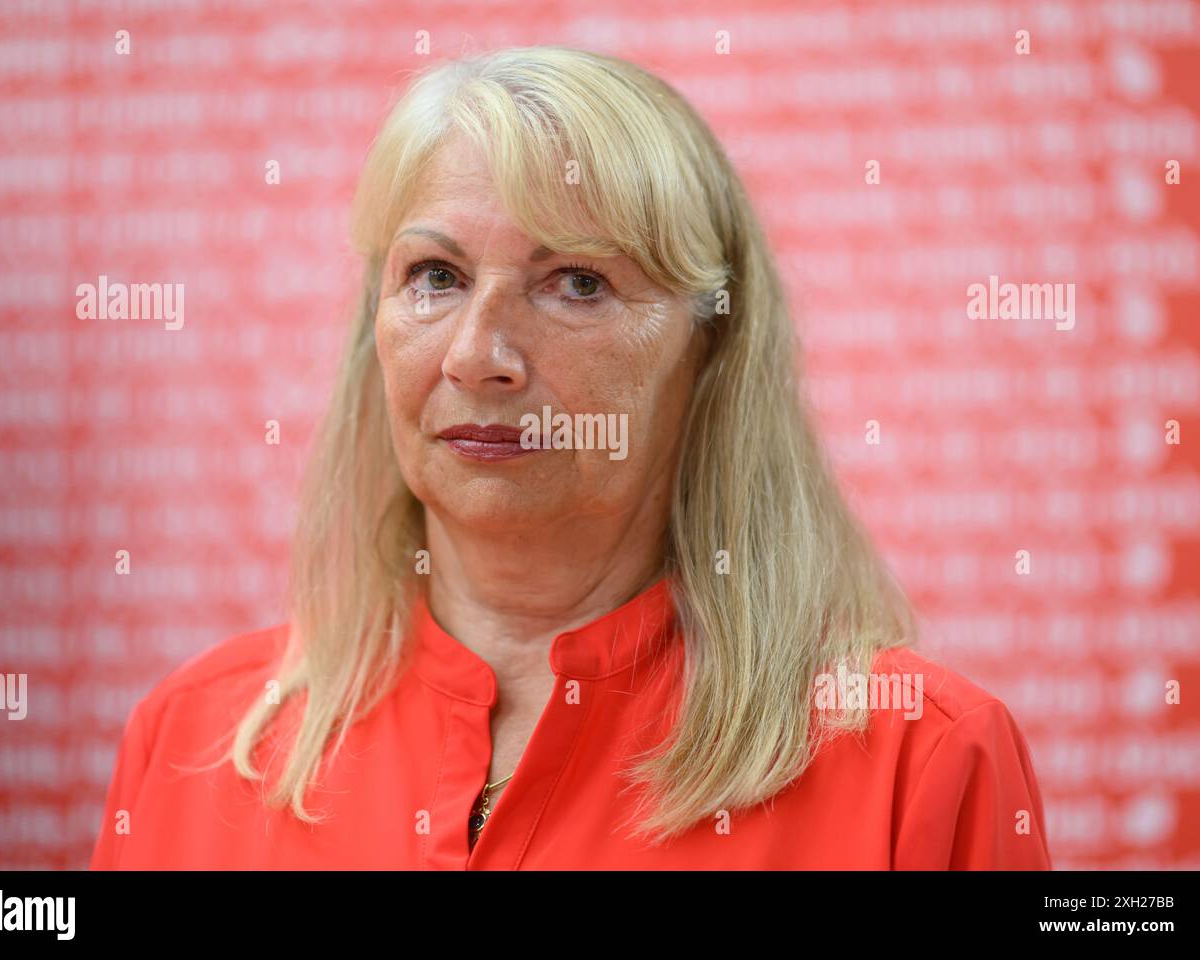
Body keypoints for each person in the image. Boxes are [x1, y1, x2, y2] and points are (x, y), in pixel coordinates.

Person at [90, 45, 1051, 870]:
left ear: (709, 349)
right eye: (435, 276)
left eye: (577, 284)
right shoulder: (192, 742)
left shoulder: (917, 759)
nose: (476, 356)